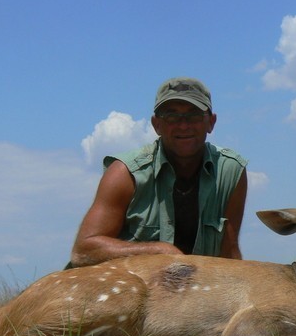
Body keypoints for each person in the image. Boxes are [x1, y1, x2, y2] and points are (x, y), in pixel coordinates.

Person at [69, 77, 248, 267]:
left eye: (194, 115)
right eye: (171, 116)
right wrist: (159, 252)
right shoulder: (124, 173)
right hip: (130, 288)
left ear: (211, 122)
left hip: (197, 289)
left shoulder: (231, 172)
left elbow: (229, 253)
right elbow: (83, 251)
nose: (183, 125)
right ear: (156, 125)